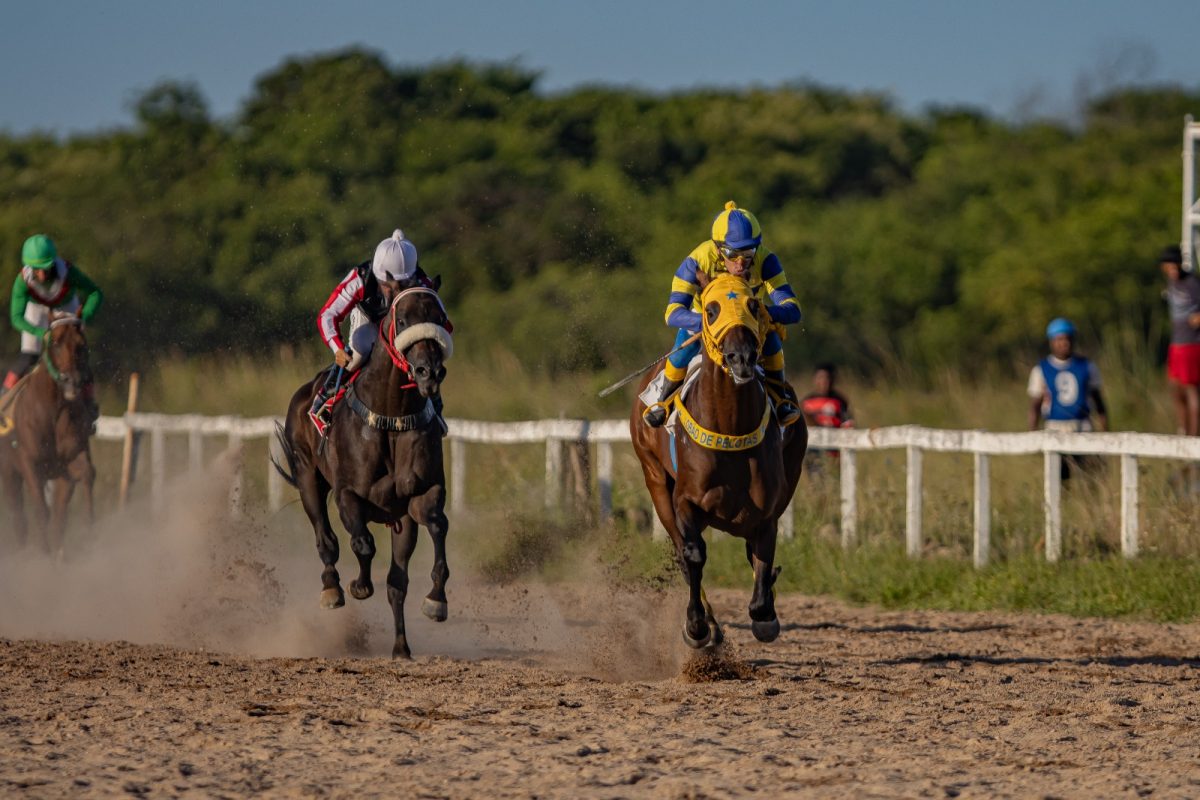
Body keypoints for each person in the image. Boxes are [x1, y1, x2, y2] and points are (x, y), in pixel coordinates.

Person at [643, 201, 802, 428]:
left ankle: (780, 401)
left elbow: (793, 309)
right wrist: (706, 322)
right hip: (706, 320)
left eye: (748, 253)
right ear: (717, 248)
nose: (740, 262)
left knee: (773, 343)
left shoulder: (767, 261)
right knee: (682, 351)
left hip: (749, 322)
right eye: (732, 253)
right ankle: (663, 403)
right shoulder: (696, 261)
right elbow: (673, 313)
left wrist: (768, 312)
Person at [310, 228, 442, 430]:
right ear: (379, 275)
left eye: (402, 284)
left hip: (402, 326)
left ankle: (435, 406)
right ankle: (325, 399)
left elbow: (443, 319)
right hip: (369, 321)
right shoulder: (360, 278)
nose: (394, 289)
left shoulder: (421, 282)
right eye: (388, 284)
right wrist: (337, 348)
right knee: (358, 354)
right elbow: (327, 315)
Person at [4, 234, 103, 420]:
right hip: (37, 310)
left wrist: (84, 316)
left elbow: (96, 293)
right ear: (28, 267)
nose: (41, 275)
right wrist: (41, 333)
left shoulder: (68, 272)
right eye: (36, 270)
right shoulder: (22, 281)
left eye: (46, 268)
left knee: (77, 356)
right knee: (28, 357)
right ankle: (4, 399)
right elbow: (16, 317)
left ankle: (89, 404)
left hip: (65, 307)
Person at [1028, 317, 1108, 480]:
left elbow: (1099, 402)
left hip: (1083, 427)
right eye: (1059, 339)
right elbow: (1035, 405)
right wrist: (1033, 433)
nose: (1064, 343)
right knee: (1058, 478)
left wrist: (1105, 432)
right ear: (1051, 342)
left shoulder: (1086, 366)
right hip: (1054, 428)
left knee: (1089, 476)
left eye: (1067, 339)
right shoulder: (1041, 369)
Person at [1160, 244, 1200, 437]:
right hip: (1177, 343)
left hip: (1191, 343)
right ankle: (1182, 431)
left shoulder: (1191, 283)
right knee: (1175, 387)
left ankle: (1193, 437)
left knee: (1191, 390)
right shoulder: (1171, 282)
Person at [800, 362, 855, 475]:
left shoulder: (839, 400)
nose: (824, 382)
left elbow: (848, 424)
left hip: (833, 450)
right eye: (820, 378)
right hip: (812, 450)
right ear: (814, 380)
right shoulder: (806, 402)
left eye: (827, 378)